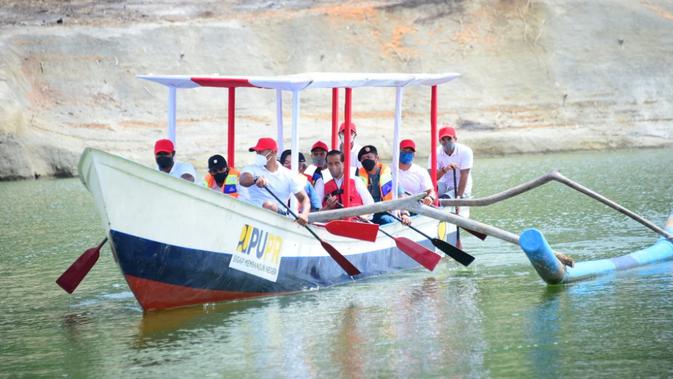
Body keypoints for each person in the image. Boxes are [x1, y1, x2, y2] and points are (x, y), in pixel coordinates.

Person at [238, 137, 310, 225]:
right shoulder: (251, 168)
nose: (258, 155)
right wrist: (255, 179)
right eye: (257, 152)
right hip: (254, 216)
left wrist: (304, 214)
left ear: (273, 152)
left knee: (268, 205)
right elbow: (243, 180)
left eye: (260, 152)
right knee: (267, 205)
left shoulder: (288, 175)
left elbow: (304, 198)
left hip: (279, 218)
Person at [356, 145, 411, 225]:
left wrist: (404, 214)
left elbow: (400, 195)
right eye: (363, 159)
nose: (366, 160)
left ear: (376, 158)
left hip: (384, 212)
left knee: (388, 221)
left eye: (369, 157)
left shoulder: (389, 174)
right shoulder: (357, 176)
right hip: (365, 213)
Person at [321, 150, 374, 220]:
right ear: (327, 165)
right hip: (330, 225)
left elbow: (370, 205)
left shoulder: (356, 180)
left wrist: (362, 217)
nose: (333, 167)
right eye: (330, 164)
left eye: (337, 163)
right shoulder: (321, 183)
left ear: (344, 164)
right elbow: (316, 213)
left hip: (356, 223)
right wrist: (327, 208)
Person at [429, 125, 473, 200]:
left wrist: (459, 197)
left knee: (445, 198)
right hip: (443, 184)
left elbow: (464, 175)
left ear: (455, 139)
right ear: (440, 141)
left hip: (461, 187)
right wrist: (444, 170)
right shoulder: (435, 153)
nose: (446, 142)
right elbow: (432, 177)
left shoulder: (466, 151)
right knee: (428, 194)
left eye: (449, 139)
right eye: (443, 139)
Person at [398, 139, 436, 205]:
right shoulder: (389, 171)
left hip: (415, 207)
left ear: (414, 154)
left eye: (410, 152)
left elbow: (431, 191)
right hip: (395, 207)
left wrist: (430, 198)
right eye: (404, 151)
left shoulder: (421, 171)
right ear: (398, 152)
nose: (407, 153)